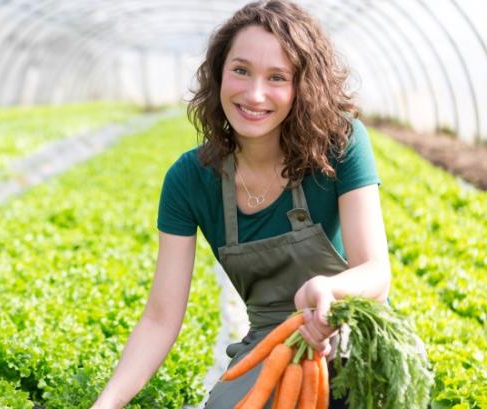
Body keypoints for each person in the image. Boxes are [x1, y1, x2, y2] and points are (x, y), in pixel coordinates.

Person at [91, 0, 391, 408]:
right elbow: (160, 319)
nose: (254, 94)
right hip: (270, 346)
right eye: (241, 70)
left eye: (277, 77)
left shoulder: (340, 144)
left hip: (353, 333)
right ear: (218, 74)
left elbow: (375, 273)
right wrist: (105, 405)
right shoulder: (189, 180)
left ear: (303, 87)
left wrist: (328, 289)